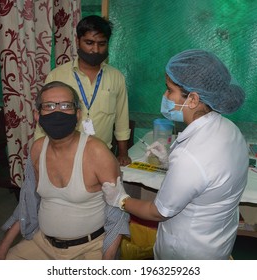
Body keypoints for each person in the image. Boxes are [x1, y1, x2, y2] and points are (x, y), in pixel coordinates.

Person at [102, 49, 248, 260]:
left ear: (193, 99)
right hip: (217, 243)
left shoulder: (192, 155)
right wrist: (170, 161)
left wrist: (121, 199)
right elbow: (209, 175)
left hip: (187, 253)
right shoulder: (229, 129)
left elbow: (158, 211)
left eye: (169, 90)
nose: (165, 96)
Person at [0, 81, 129, 260]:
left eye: (65, 105)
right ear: (37, 115)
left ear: (77, 114)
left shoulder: (97, 153)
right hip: (42, 243)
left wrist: (106, 262)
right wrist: (1, 250)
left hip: (90, 249)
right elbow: (28, 201)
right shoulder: (37, 149)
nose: (57, 112)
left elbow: (118, 213)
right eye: (48, 106)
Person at [34, 15, 131, 166]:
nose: (96, 50)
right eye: (89, 43)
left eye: (102, 44)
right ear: (78, 41)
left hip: (102, 155)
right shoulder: (57, 75)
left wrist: (123, 153)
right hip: (63, 155)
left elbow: (122, 120)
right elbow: (44, 118)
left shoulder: (116, 77)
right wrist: (39, 153)